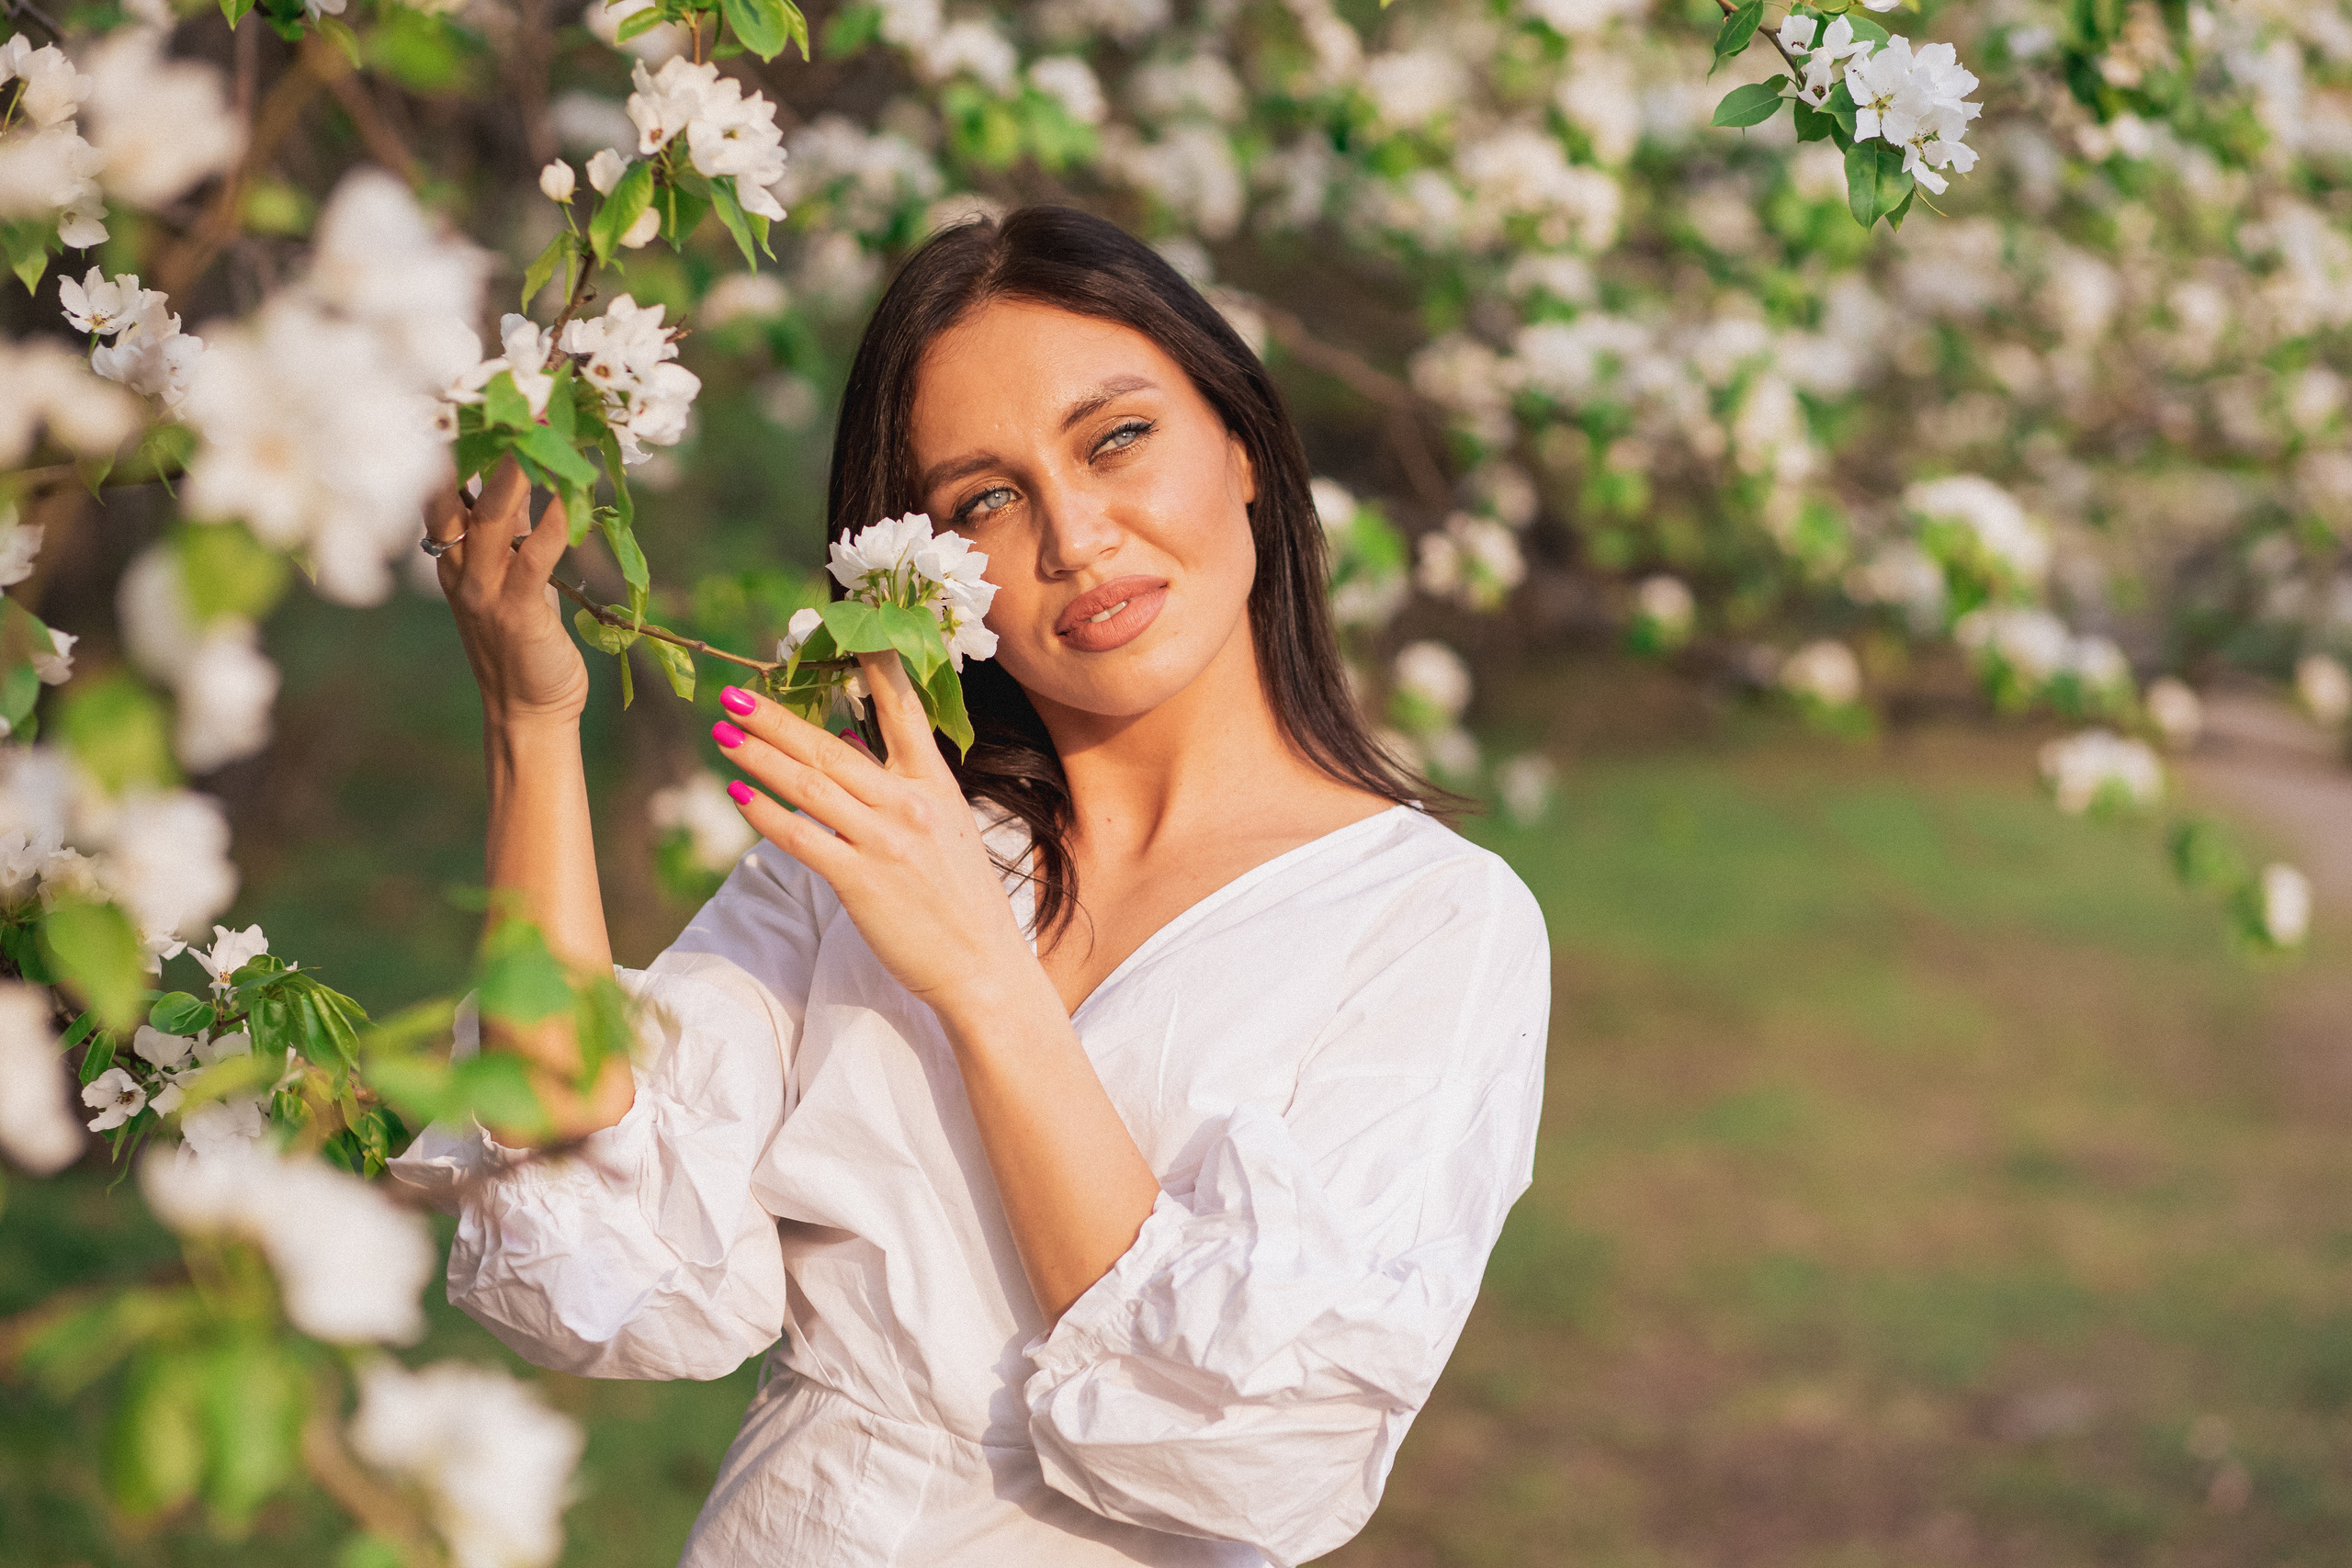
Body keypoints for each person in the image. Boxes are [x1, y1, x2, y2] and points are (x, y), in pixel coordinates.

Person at [390, 206, 1550, 1568]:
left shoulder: (1432, 922)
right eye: (983, 501)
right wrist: (531, 726)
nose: (1074, 536)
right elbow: (599, 1227)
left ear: (1241, 440)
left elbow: (1256, 1448)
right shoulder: (885, 834)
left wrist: (982, 977)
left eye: (1117, 438)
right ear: (926, 571)